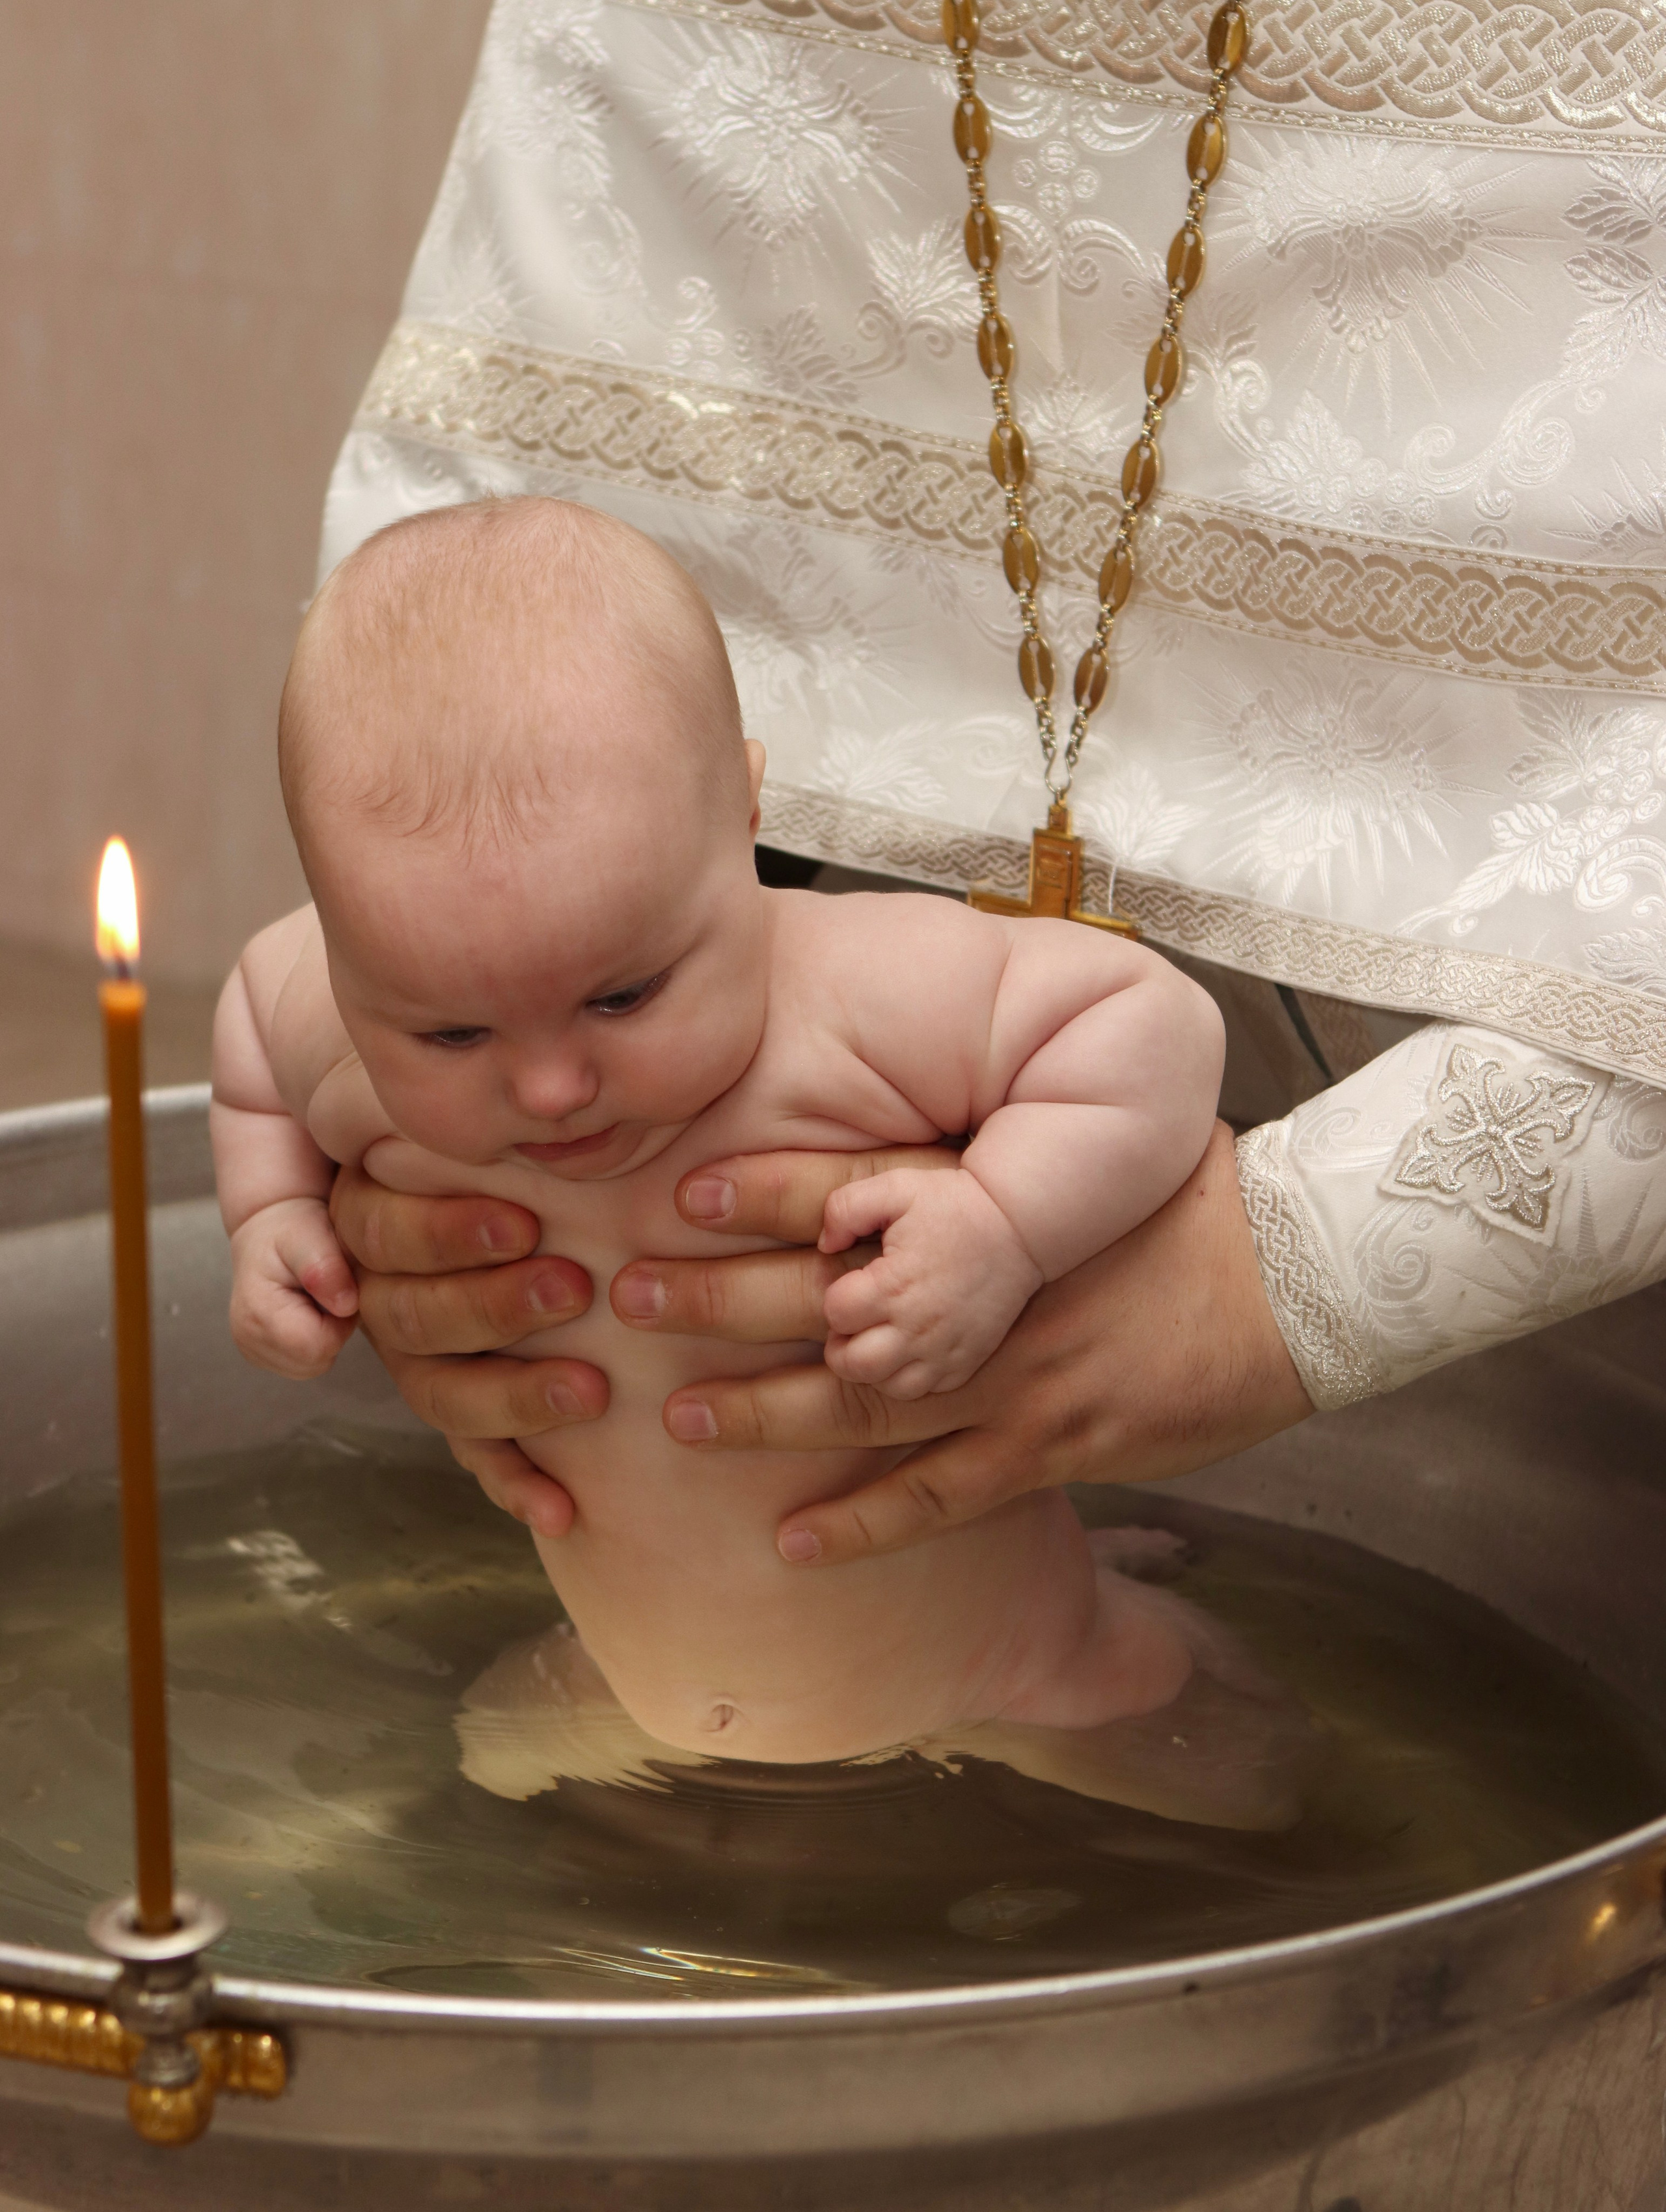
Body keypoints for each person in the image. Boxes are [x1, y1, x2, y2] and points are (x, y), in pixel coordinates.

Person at [312, 0, 1666, 1550]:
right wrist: (383, 1195)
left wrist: (1311, 1272)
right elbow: (470, 676)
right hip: (657, 1326)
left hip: (1527, 1351)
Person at [212, 493, 1254, 1768]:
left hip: (1023, 1675)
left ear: (743, 816)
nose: (548, 1087)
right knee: (487, 1756)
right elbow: (257, 1031)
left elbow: (1153, 1025)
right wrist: (271, 1211)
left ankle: (1119, 1604)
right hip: (638, 1688)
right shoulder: (334, 1004)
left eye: (622, 994)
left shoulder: (860, 996)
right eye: (449, 1035)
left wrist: (1003, 1224)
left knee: (1229, 1771)